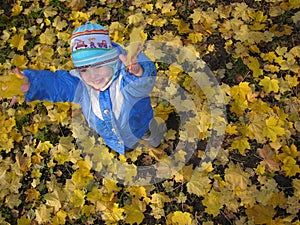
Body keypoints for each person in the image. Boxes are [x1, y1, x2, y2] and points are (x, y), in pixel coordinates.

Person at [16, 22, 166, 155]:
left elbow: (143, 85)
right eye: (84, 70)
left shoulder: (125, 79)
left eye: (99, 66)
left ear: (113, 61)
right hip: (113, 136)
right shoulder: (82, 86)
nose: (93, 76)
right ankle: (128, 147)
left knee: (150, 133)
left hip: (141, 123)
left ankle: (156, 142)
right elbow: (57, 85)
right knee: (129, 146)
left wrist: (139, 72)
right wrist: (33, 84)